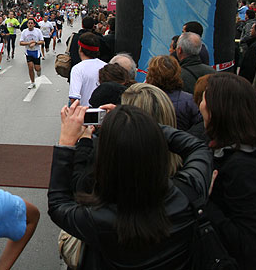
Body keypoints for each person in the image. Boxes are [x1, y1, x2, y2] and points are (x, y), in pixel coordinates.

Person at [49, 102, 213, 268]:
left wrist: (67, 141)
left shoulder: (95, 219)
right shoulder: (188, 192)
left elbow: (57, 203)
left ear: (105, 159)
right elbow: (197, 147)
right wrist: (139, 125)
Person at [201, 73, 256, 268]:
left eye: (205, 99)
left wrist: (205, 203)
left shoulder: (243, 167)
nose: (200, 104)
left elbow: (246, 241)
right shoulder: (243, 148)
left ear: (219, 110)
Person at [146, 55, 202, 131]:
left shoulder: (144, 99)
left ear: (150, 74)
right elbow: (199, 127)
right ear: (177, 72)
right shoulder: (189, 101)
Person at [68, 32, 106, 106]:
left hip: (86, 112)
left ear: (80, 49)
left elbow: (74, 98)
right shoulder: (106, 66)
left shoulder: (78, 69)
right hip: (103, 112)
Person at [19, 18, 44, 89]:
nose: (30, 24)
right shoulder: (24, 32)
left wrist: (35, 43)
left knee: (37, 68)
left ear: (34, 24)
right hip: (28, 52)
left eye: (31, 23)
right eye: (29, 23)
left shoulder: (38, 31)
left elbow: (42, 41)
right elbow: (20, 43)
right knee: (30, 67)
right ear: (27, 24)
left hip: (36, 52)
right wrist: (28, 43)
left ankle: (39, 70)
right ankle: (32, 82)